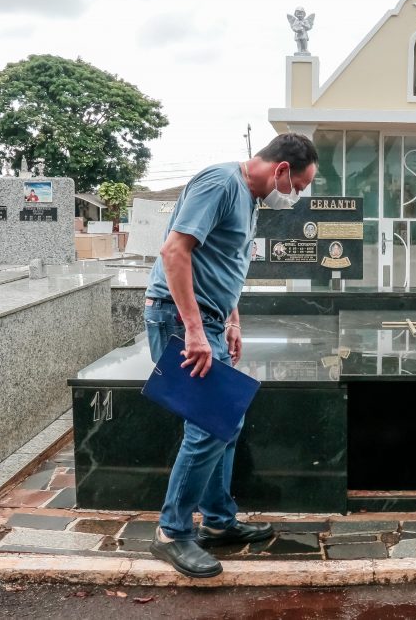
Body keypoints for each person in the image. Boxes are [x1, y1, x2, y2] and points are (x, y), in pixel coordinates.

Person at [143, 133, 318, 578]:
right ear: (281, 170)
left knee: (224, 420)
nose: (295, 197)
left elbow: (222, 263)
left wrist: (232, 321)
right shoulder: (220, 183)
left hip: (211, 320)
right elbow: (175, 251)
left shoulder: (248, 197)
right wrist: (196, 331)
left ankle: (219, 522)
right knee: (208, 425)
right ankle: (172, 532)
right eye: (297, 187)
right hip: (183, 319)